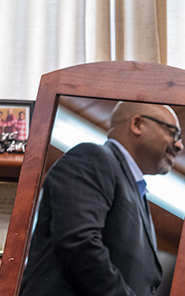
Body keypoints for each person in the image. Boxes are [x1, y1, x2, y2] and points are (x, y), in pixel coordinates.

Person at [20, 101, 183, 296]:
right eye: (173, 133)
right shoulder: (93, 158)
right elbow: (80, 243)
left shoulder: (134, 188)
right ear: (137, 124)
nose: (179, 145)